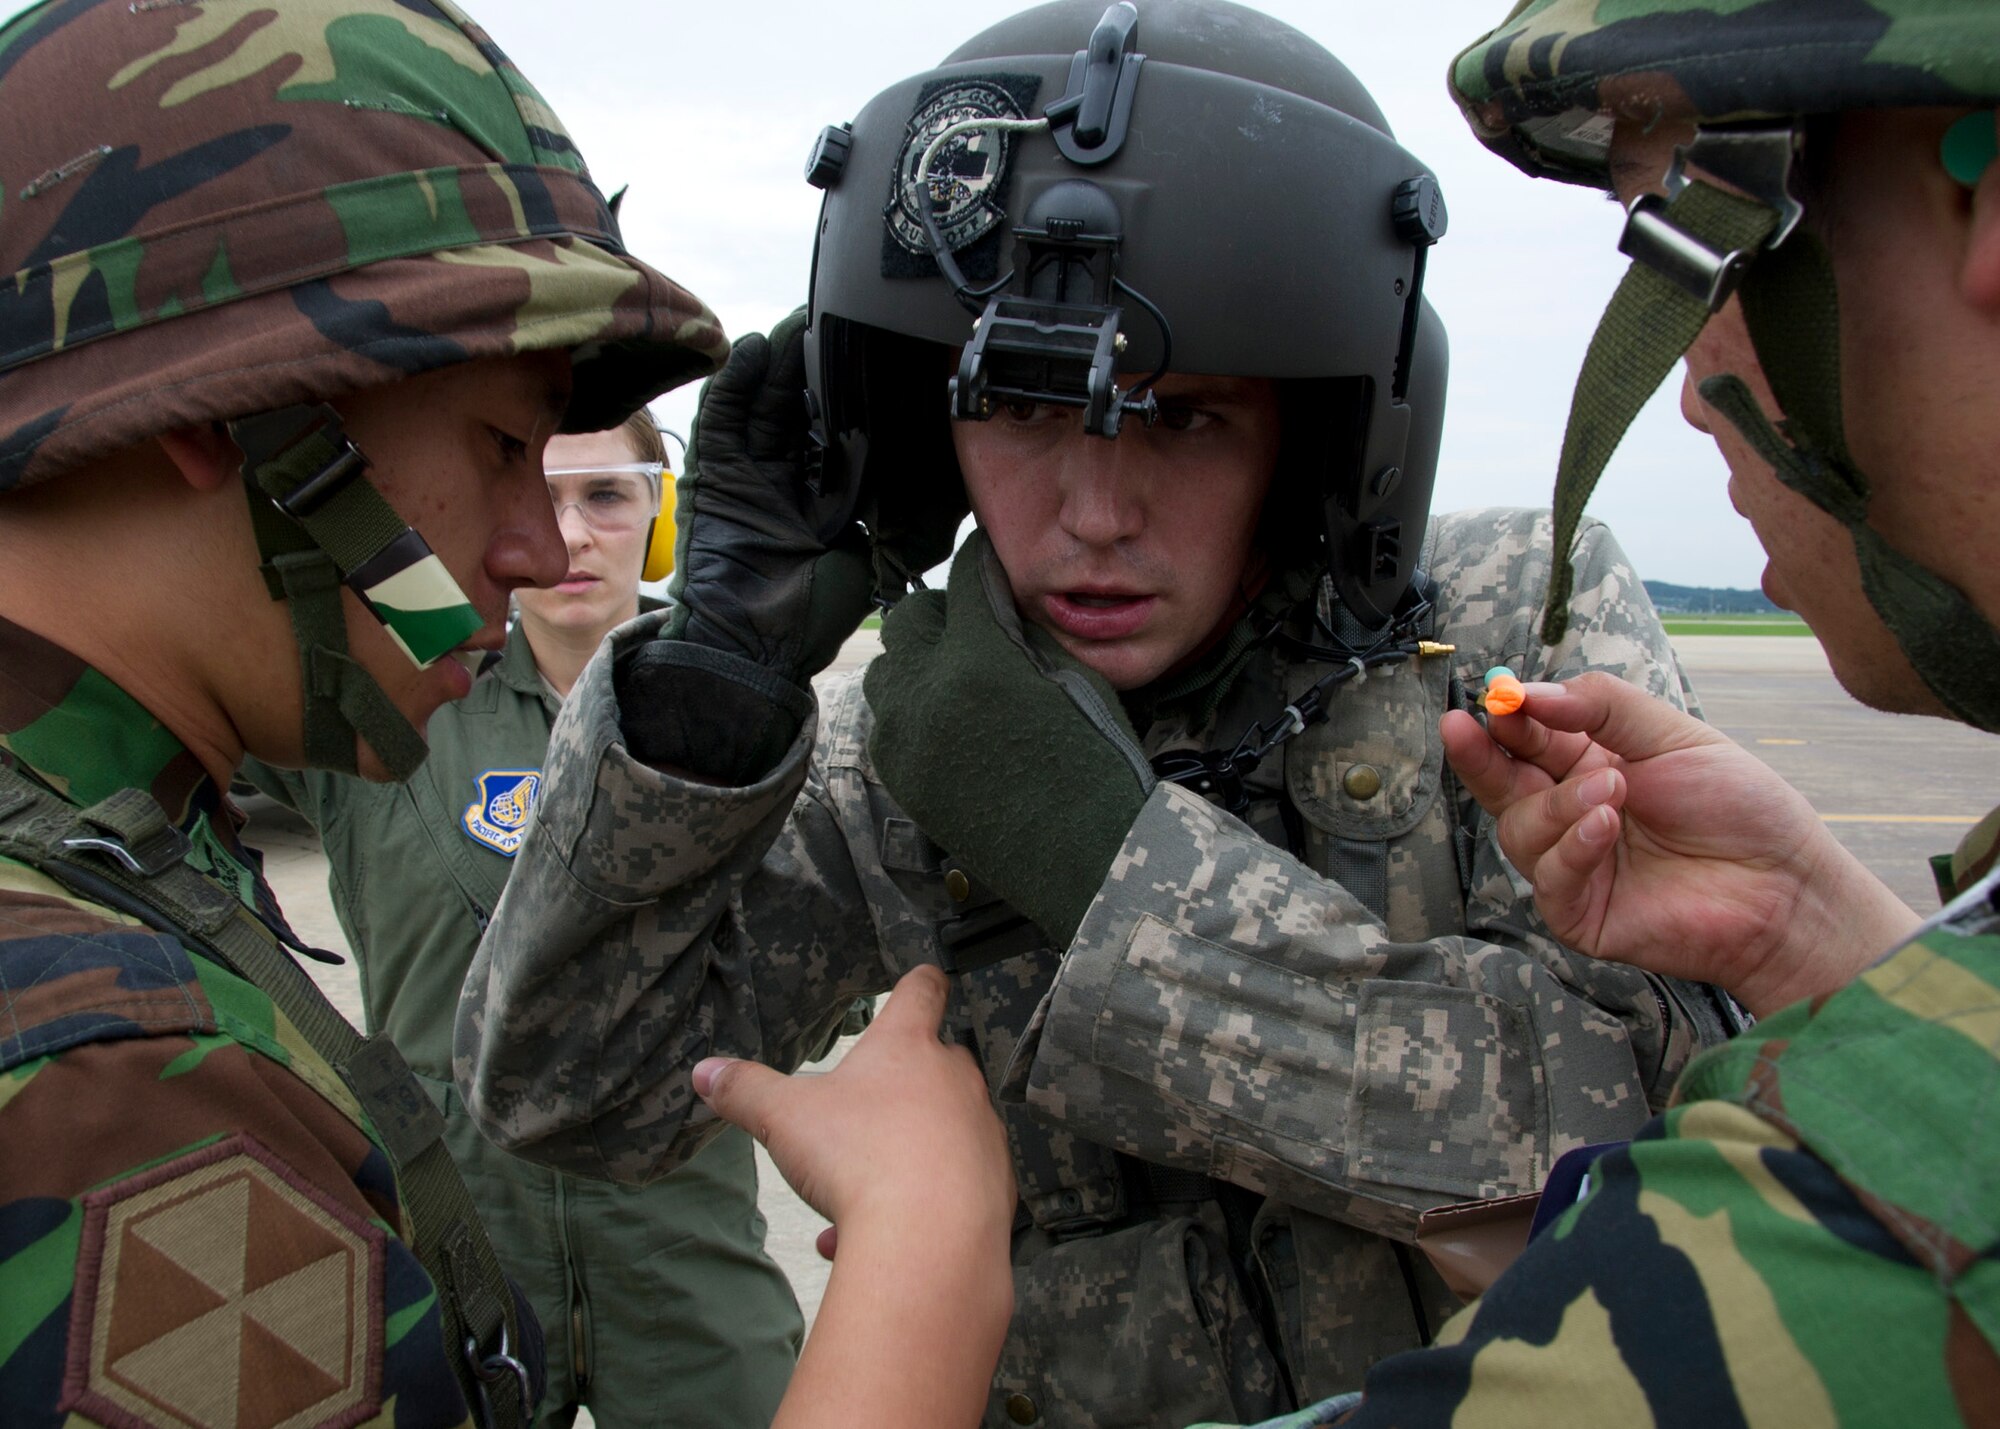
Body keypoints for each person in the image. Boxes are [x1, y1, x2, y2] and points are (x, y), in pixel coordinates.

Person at [456, 3, 1743, 1423]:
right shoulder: (908, 733)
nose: (1094, 515)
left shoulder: (1505, 627)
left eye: (1185, 417)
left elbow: (1665, 1127)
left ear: (1314, 434)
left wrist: (1103, 865)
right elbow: (571, 1101)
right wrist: (704, 711)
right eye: (1018, 406)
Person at [0, 2, 1000, 1425]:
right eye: (502, 445)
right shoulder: (97, 1075)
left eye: (589, 481)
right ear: (239, 414)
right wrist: (923, 1254)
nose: (539, 545)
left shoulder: (116, 849)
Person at [1183, 3, 2000, 1422]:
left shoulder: (1894, 1220)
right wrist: (1826, 939)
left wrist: (916, 1247)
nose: (1686, 396)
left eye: (1686, 244)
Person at [241, 410, 805, 1428]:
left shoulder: (749, 729)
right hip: (454, 1236)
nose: (574, 535)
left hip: (684, 1238)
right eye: (544, 497)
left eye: (606, 496)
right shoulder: (398, 701)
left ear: (659, 520)